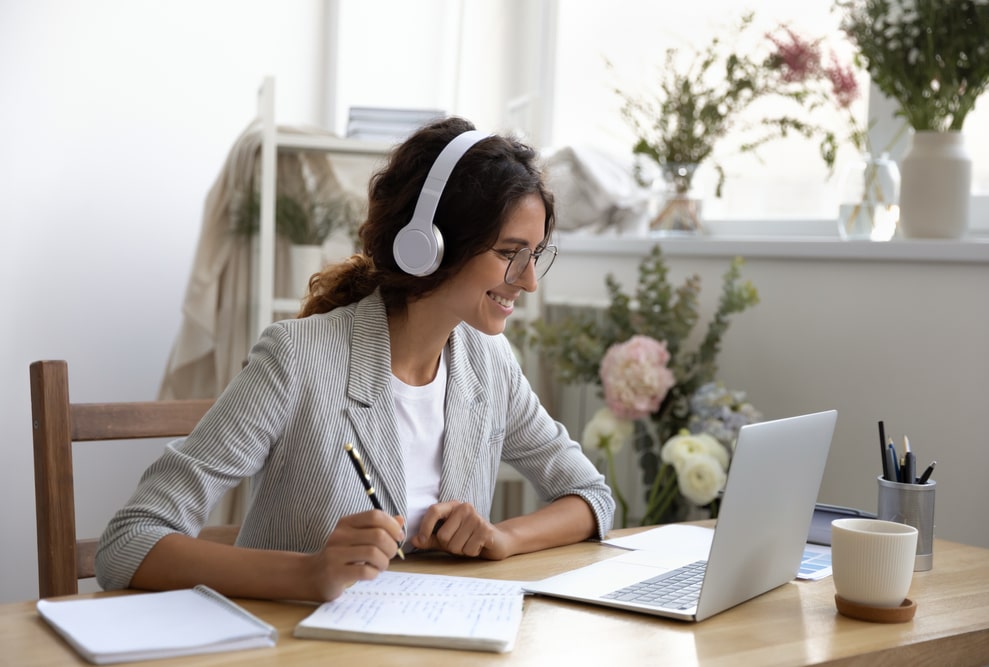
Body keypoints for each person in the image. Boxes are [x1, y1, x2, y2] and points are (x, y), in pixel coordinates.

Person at [95, 117, 614, 603]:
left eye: (536, 253)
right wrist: (309, 573)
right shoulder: (296, 359)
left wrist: (502, 537)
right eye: (509, 253)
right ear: (429, 245)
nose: (528, 280)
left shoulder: (490, 364)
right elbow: (128, 542)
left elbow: (591, 496)